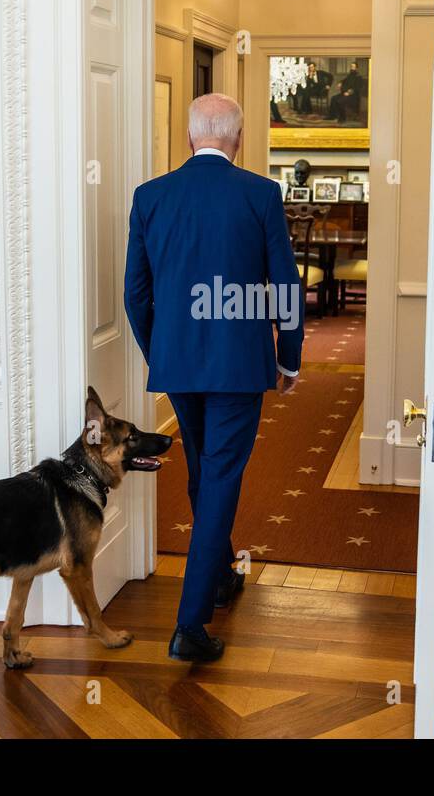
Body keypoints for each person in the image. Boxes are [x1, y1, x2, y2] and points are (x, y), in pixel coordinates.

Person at [124, 93, 304, 662]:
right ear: (239, 140)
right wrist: (289, 358)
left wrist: (163, 352)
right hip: (237, 366)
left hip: (179, 364)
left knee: (204, 471)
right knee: (220, 479)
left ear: (189, 139)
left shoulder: (151, 197)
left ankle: (220, 576)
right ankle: (190, 626)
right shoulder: (261, 194)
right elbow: (286, 286)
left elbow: (136, 294)